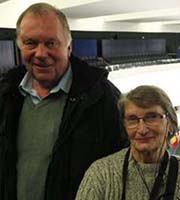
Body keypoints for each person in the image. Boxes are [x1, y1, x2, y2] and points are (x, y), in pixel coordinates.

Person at [0, 3, 127, 200]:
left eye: (51, 43)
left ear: (68, 47)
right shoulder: (5, 94)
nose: (41, 54)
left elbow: (123, 170)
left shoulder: (104, 99)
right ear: (19, 46)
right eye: (31, 43)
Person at [75, 85, 180, 200]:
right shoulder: (100, 176)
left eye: (152, 117)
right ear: (124, 126)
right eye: (132, 119)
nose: (142, 130)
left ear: (171, 124)